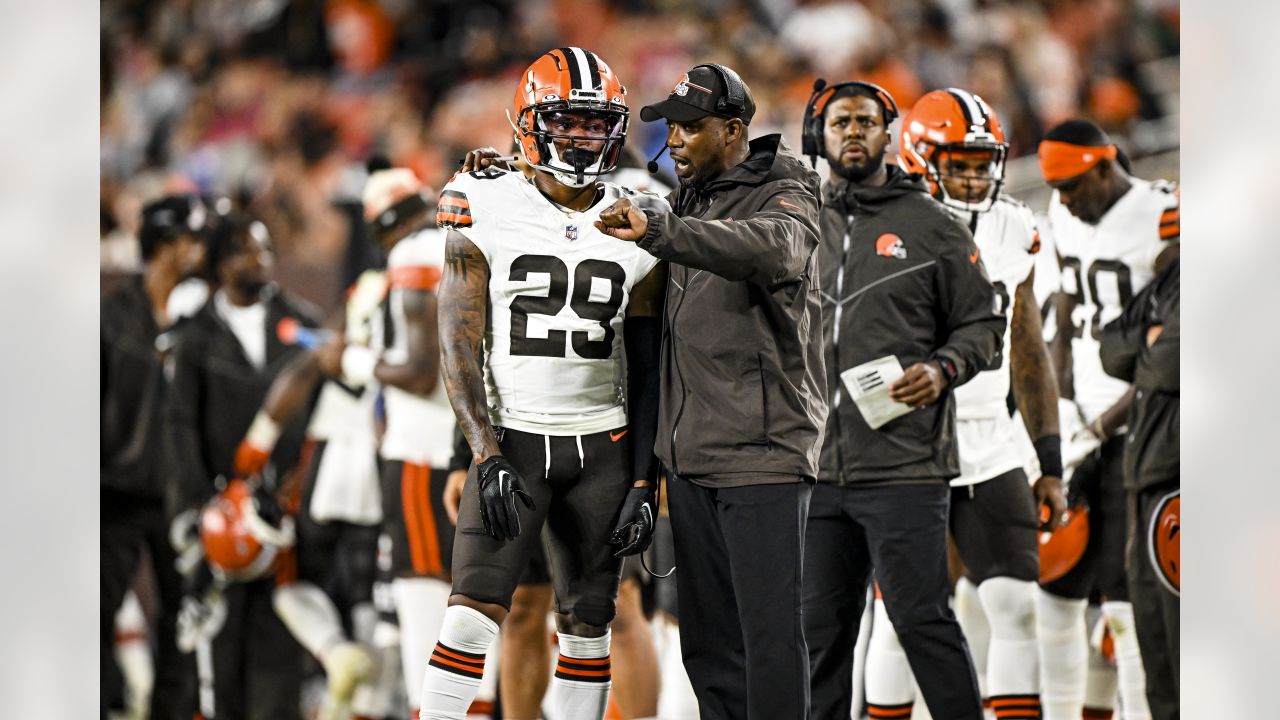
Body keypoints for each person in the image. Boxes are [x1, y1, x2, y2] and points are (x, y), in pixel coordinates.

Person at [417, 47, 666, 720]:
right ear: (530, 122)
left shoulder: (643, 215)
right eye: (568, 121)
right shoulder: (483, 198)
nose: (584, 137)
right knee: (470, 614)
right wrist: (482, 451)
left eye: (596, 124)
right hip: (516, 438)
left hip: (604, 444)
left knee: (589, 628)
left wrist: (646, 475)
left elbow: (649, 362)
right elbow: (458, 341)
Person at [595, 63, 826, 720]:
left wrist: (665, 230)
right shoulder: (688, 199)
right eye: (672, 127)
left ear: (733, 130)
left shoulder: (787, 189)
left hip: (762, 454)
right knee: (707, 645)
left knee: (769, 640)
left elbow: (773, 249)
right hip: (693, 462)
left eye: (692, 128)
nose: (677, 141)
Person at [793, 79, 1003, 720]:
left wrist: (942, 369)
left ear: (890, 133)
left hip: (906, 467)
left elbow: (985, 326)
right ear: (818, 136)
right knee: (820, 637)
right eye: (839, 122)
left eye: (865, 121)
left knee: (922, 622)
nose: (852, 132)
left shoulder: (934, 226)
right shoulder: (795, 218)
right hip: (816, 469)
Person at [862, 87, 1067, 719]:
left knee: (1016, 603)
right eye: (961, 164)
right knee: (903, 613)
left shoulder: (1014, 226)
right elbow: (846, 341)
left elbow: (1028, 350)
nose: (976, 178)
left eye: (984, 164)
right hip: (906, 439)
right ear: (923, 160)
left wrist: (1050, 459)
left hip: (988, 437)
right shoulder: (882, 223)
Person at [1035, 119, 1179, 720]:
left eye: (1072, 185)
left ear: (1103, 165)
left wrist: (1103, 423)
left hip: (1139, 427)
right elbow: (1066, 310)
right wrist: (1063, 400)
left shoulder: (1164, 213)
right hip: (1077, 423)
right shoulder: (1065, 209)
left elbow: (1165, 346)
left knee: (1129, 599)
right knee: (1056, 589)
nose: (1063, 199)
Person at [166, 211, 318, 720]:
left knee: (281, 651)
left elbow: (322, 414)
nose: (261, 260)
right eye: (248, 251)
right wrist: (196, 505)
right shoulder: (194, 338)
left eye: (265, 249)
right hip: (221, 511)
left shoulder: (303, 323)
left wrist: (304, 482)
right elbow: (181, 425)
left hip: (288, 512)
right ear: (220, 263)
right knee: (222, 656)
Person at [101, 194, 206, 719]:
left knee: (183, 620)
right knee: (94, 618)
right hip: (113, 491)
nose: (199, 252)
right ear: (165, 246)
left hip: (177, 492)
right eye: (190, 241)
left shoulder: (201, 320)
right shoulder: (110, 318)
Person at [1099, 258, 1179, 720]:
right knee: (1158, 652)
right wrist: (1155, 338)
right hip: (1147, 480)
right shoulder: (1174, 274)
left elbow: (1170, 364)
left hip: (1185, 481)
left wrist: (1152, 342)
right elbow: (1109, 348)